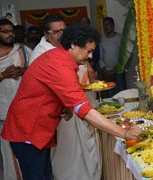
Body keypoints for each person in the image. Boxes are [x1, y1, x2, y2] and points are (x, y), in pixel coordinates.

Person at [1, 24, 142, 180]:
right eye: (88, 51)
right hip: (27, 129)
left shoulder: (61, 58)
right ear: (74, 45)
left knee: (45, 175)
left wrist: (66, 106)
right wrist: (123, 132)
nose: (90, 56)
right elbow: (83, 108)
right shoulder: (58, 64)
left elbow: (56, 91)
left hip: (38, 129)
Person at [29, 14, 99, 180]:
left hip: (67, 108)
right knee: (61, 156)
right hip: (46, 119)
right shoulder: (43, 55)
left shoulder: (66, 52)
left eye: (63, 30)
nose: (61, 34)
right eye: (56, 31)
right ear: (46, 34)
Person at [0, 19, 32, 180]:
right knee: (9, 153)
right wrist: (3, 75)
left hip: (25, 110)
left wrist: (24, 70)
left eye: (11, 30)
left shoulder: (23, 51)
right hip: (3, 112)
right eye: (4, 31)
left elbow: (37, 70)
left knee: (28, 152)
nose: (9, 34)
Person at [98, 17, 126, 97]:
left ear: (113, 25)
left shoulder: (119, 38)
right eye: (104, 25)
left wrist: (114, 69)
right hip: (107, 73)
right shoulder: (102, 40)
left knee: (122, 95)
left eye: (108, 24)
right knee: (111, 96)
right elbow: (101, 57)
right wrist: (105, 70)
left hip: (118, 71)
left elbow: (123, 56)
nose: (106, 27)